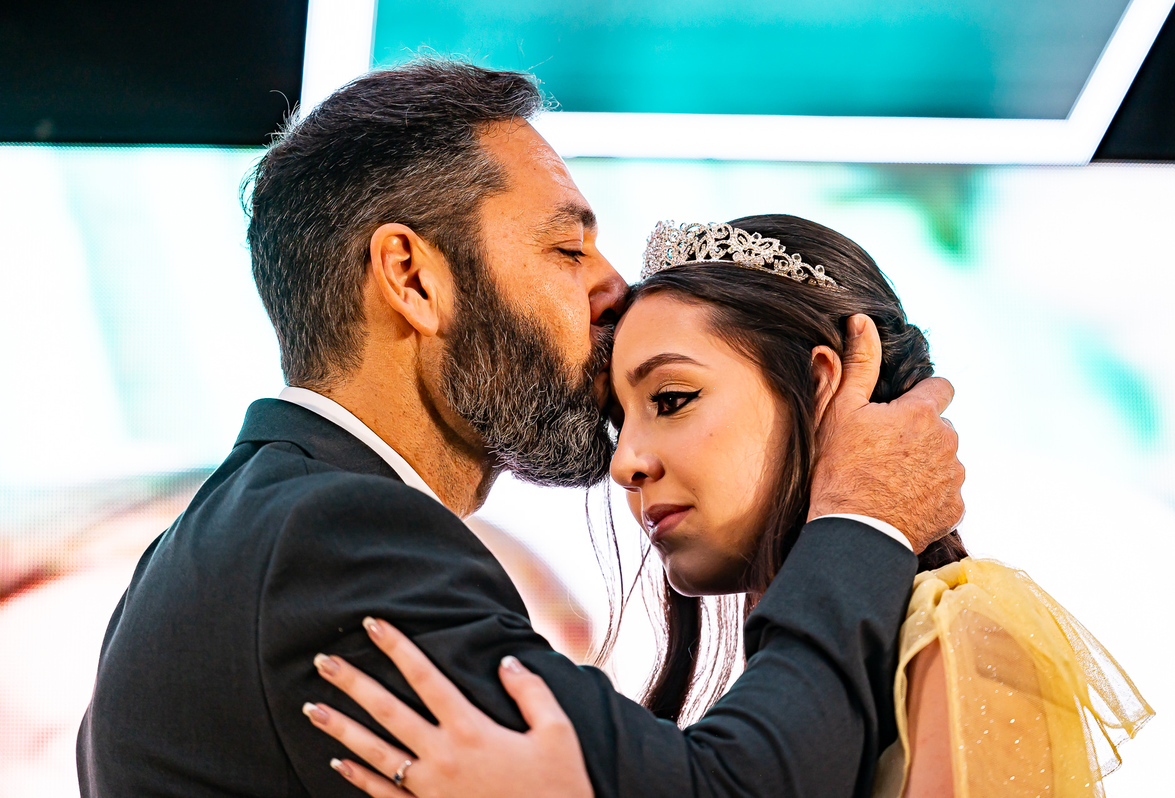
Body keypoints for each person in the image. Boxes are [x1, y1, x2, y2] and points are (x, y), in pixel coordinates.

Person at [77, 62, 964, 798]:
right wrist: (864, 521)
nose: (613, 289)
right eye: (569, 249)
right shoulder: (335, 538)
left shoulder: (244, 535)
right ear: (413, 278)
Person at [307, 216, 1154, 797]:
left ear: (825, 387)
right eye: (618, 420)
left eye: (671, 399)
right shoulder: (760, 695)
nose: (627, 463)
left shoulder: (968, 630)